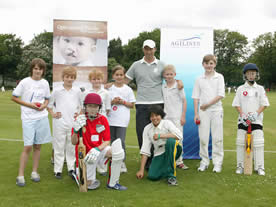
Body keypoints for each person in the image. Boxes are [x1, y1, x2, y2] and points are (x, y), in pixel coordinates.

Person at [71, 93, 127, 190]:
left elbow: (107, 141)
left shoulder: (103, 119)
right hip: (84, 155)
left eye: (95, 106)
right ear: (85, 107)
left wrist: (97, 149)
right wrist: (76, 131)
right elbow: (73, 142)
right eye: (90, 106)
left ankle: (113, 183)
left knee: (117, 152)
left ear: (99, 107)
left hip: (97, 151)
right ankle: (77, 172)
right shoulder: (80, 119)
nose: (93, 109)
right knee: (90, 185)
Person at [12, 58, 52, 187]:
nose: (37, 71)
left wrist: (43, 106)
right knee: (28, 146)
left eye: (40, 69)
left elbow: (47, 99)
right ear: (32, 69)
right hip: (28, 118)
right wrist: (30, 105)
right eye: (35, 68)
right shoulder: (25, 82)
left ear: (43, 71)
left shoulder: (45, 83)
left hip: (42, 117)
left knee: (38, 146)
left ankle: (34, 172)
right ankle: (20, 175)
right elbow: (14, 97)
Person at [232, 63, 269, 176]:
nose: (251, 75)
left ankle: (259, 167)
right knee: (240, 142)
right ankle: (240, 165)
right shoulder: (240, 89)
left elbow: (264, 104)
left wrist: (255, 114)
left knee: (258, 143)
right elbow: (236, 104)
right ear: (245, 75)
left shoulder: (260, 88)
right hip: (243, 120)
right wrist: (242, 115)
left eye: (253, 73)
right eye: (249, 73)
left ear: (256, 74)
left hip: (256, 120)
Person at [47, 66, 83, 179]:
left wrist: (79, 114)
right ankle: (57, 170)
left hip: (73, 123)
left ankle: (71, 168)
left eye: (72, 77)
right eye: (67, 77)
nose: (69, 79)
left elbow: (82, 107)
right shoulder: (57, 91)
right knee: (59, 146)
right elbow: (49, 105)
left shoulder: (77, 91)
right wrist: (53, 114)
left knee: (71, 146)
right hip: (59, 123)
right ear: (63, 77)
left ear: (74, 78)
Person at [192, 54, 225, 173]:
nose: (209, 66)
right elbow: (195, 97)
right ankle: (204, 162)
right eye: (206, 63)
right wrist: (196, 113)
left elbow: (220, 95)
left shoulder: (219, 77)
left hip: (216, 111)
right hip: (203, 112)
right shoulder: (199, 79)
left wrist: (207, 105)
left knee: (217, 138)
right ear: (203, 64)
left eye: (211, 63)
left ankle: (217, 163)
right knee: (203, 138)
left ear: (215, 64)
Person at [136, 105, 182, 186]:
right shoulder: (147, 128)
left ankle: (171, 177)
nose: (154, 118)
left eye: (157, 115)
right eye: (152, 116)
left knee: (170, 141)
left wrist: (161, 136)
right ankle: (168, 167)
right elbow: (145, 150)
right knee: (152, 176)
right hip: (159, 152)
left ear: (161, 115)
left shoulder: (167, 123)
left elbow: (179, 136)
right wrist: (141, 170)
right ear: (149, 118)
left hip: (174, 148)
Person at [107, 65, 136, 173]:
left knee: (121, 141)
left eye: (121, 75)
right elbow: (104, 102)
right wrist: (112, 102)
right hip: (110, 119)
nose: (119, 77)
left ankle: (122, 162)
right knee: (112, 140)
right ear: (113, 76)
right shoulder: (109, 88)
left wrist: (122, 102)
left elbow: (132, 104)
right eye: (117, 75)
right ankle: (113, 159)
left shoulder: (127, 89)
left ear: (124, 76)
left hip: (122, 119)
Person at [84, 69, 111, 175]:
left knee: (103, 141)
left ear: (102, 80)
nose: (96, 81)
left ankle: (101, 163)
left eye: (98, 79)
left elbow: (108, 109)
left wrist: (101, 119)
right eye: (94, 79)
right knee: (90, 140)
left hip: (102, 120)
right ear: (91, 80)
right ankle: (89, 162)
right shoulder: (87, 92)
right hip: (90, 120)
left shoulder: (106, 93)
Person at [162, 64, 188, 170]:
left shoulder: (179, 86)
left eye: (171, 74)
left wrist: (183, 116)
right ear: (164, 75)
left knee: (178, 138)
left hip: (177, 117)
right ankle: (167, 160)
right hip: (165, 117)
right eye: (167, 74)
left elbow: (184, 101)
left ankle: (179, 161)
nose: (169, 76)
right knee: (165, 139)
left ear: (175, 75)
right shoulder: (162, 87)